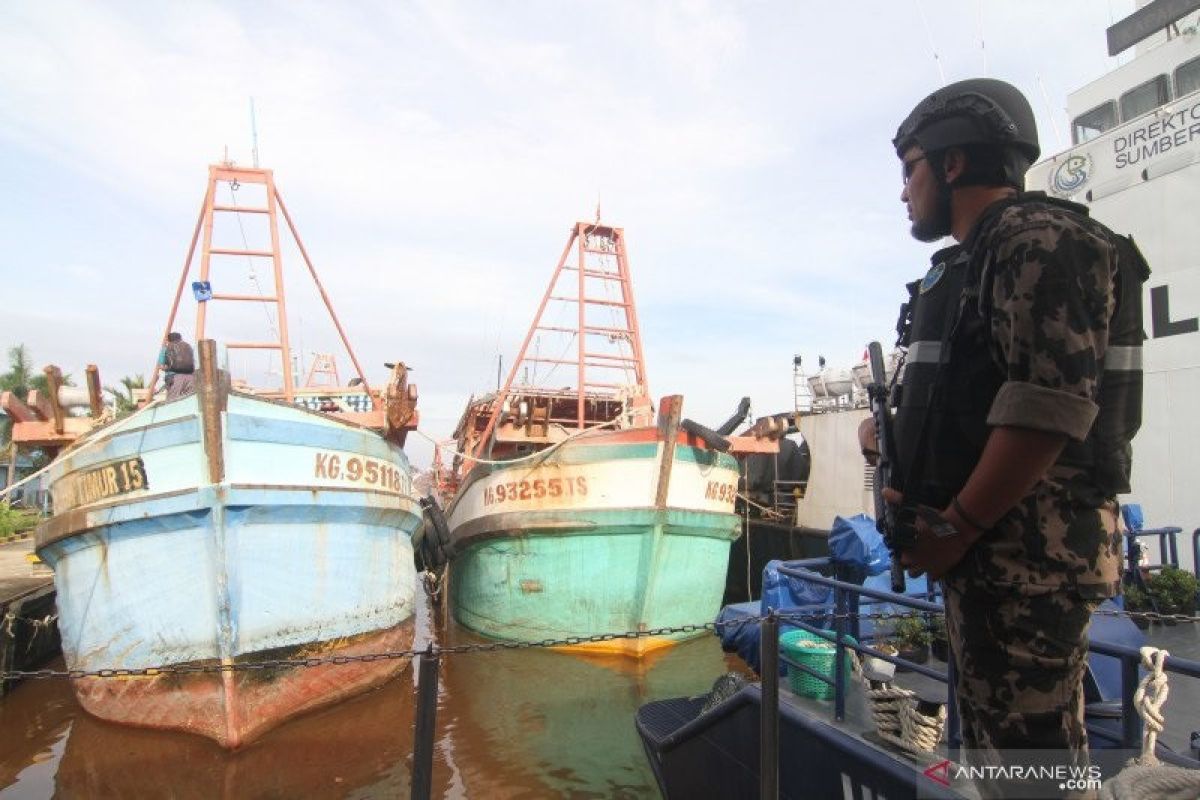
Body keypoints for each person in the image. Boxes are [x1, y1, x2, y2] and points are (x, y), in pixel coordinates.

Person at [872, 78, 1147, 797]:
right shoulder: (978, 258)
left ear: (952, 163)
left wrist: (958, 528)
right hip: (995, 563)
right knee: (1005, 761)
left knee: (1034, 773)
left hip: (1030, 562)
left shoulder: (1041, 239)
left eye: (911, 170)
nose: (904, 191)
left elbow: (1047, 408)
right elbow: (979, 398)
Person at [158, 331, 196, 400]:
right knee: (189, 400)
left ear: (168, 340)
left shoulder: (166, 348)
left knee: (172, 402)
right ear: (180, 339)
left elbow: (161, 366)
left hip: (174, 378)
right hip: (191, 377)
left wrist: (167, 368)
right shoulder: (188, 347)